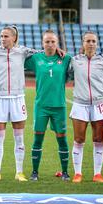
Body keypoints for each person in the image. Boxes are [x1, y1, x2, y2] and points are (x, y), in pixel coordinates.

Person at [0, 26, 65, 182]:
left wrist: (57, 49)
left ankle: (19, 172)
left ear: (14, 38)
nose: (2, 39)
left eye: (6, 36)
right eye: (1, 36)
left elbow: (44, 52)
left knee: (19, 139)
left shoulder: (23, 52)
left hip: (17, 98)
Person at [24, 30, 72, 182]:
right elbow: (19, 55)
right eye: (47, 42)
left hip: (59, 106)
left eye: (53, 42)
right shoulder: (36, 58)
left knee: (62, 139)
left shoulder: (66, 59)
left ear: (57, 43)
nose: (50, 44)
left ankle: (65, 172)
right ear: (42, 43)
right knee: (38, 139)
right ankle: (34, 172)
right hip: (41, 106)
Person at [68, 31, 103, 183]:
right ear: (83, 43)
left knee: (98, 139)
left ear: (97, 43)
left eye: (93, 41)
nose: (91, 44)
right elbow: (65, 74)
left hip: (98, 105)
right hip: (80, 104)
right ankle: (78, 173)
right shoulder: (75, 60)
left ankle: (97, 174)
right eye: (88, 41)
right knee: (79, 139)